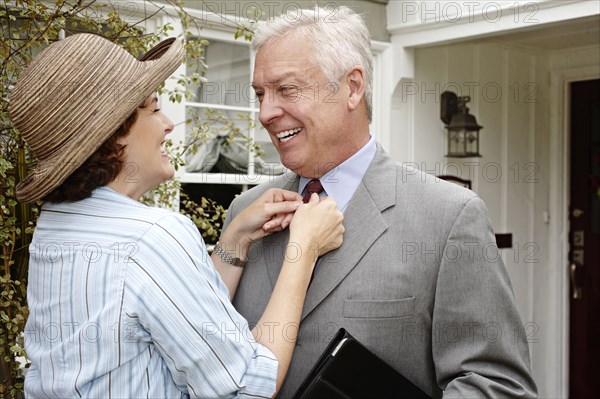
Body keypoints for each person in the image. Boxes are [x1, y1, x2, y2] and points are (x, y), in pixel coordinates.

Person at [225, 6, 538, 399]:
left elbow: (497, 384)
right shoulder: (244, 213)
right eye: (260, 94)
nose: (265, 113)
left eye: (286, 90)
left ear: (352, 87)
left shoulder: (449, 216)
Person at [10, 33, 344, 398]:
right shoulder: (151, 237)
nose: (168, 124)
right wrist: (304, 249)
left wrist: (234, 239)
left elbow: (170, 310)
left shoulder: (56, 224)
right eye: (153, 109)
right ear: (114, 135)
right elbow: (246, 386)